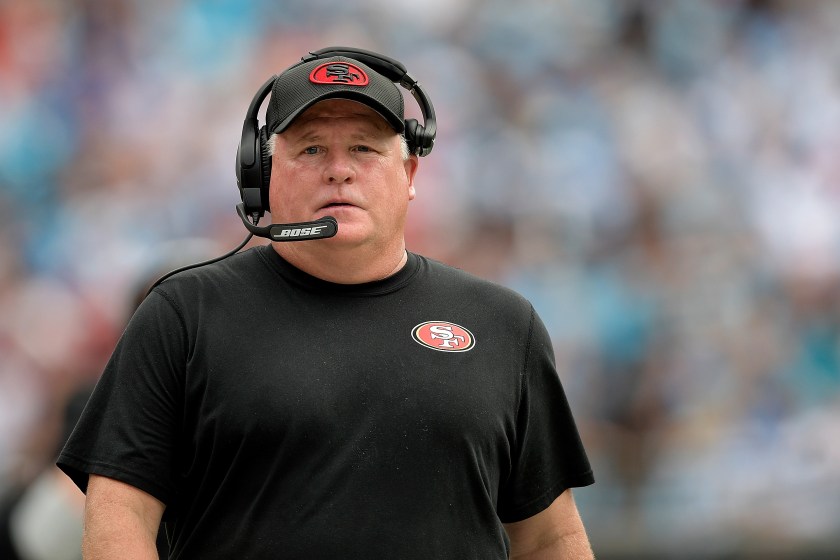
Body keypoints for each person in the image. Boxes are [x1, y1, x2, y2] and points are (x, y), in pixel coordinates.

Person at [57, 46, 595, 559]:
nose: (339, 169)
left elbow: (549, 538)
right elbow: (119, 516)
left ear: (409, 174)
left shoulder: (503, 324)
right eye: (312, 148)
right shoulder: (184, 314)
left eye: (364, 147)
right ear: (263, 176)